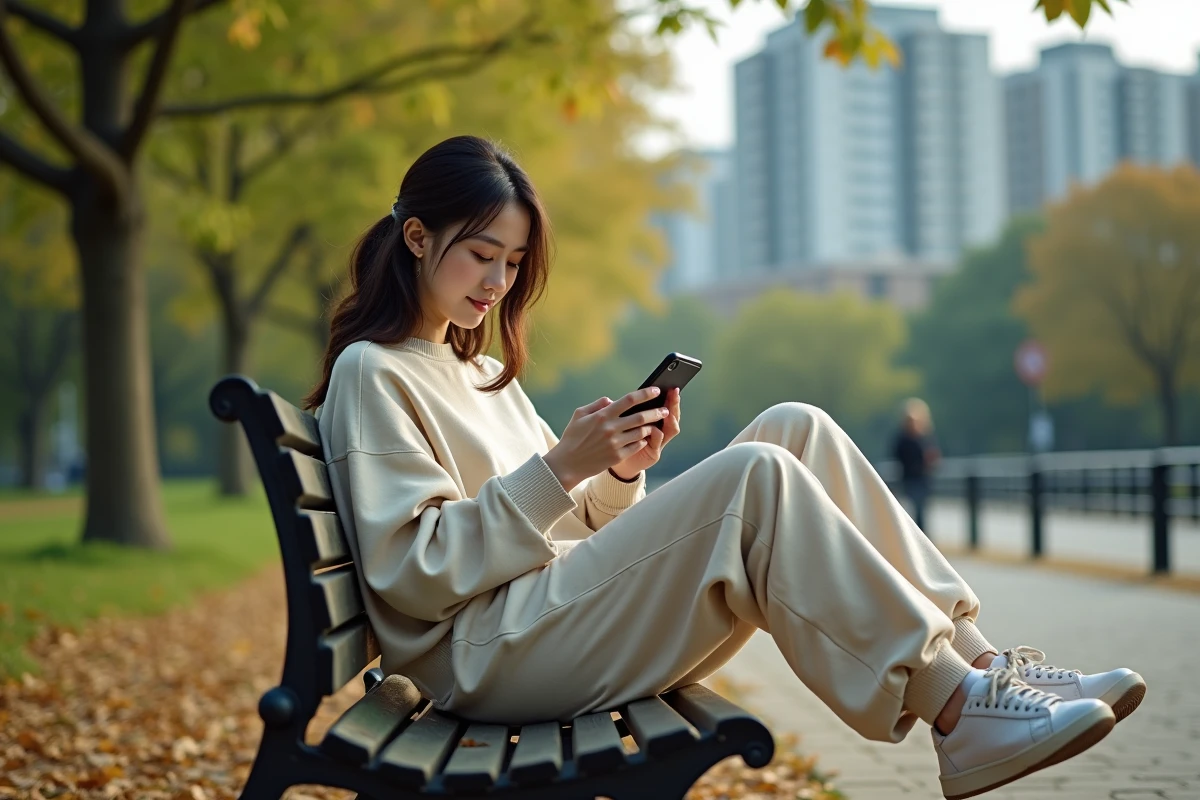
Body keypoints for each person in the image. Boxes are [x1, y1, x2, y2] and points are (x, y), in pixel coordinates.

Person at [307, 136, 1145, 800]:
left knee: (794, 429)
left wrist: (619, 470)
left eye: (514, 262)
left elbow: (567, 524)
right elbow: (414, 574)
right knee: (754, 477)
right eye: (481, 254)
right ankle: (957, 712)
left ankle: (983, 667)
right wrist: (559, 468)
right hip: (480, 658)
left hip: (536, 621)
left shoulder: (475, 371)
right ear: (417, 237)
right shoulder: (374, 375)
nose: (498, 281)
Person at [893, 398, 939, 534]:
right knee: (910, 511)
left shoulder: (925, 438)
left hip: (923, 480)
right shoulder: (902, 439)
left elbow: (934, 457)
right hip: (909, 479)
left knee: (921, 512)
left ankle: (922, 538)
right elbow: (898, 457)